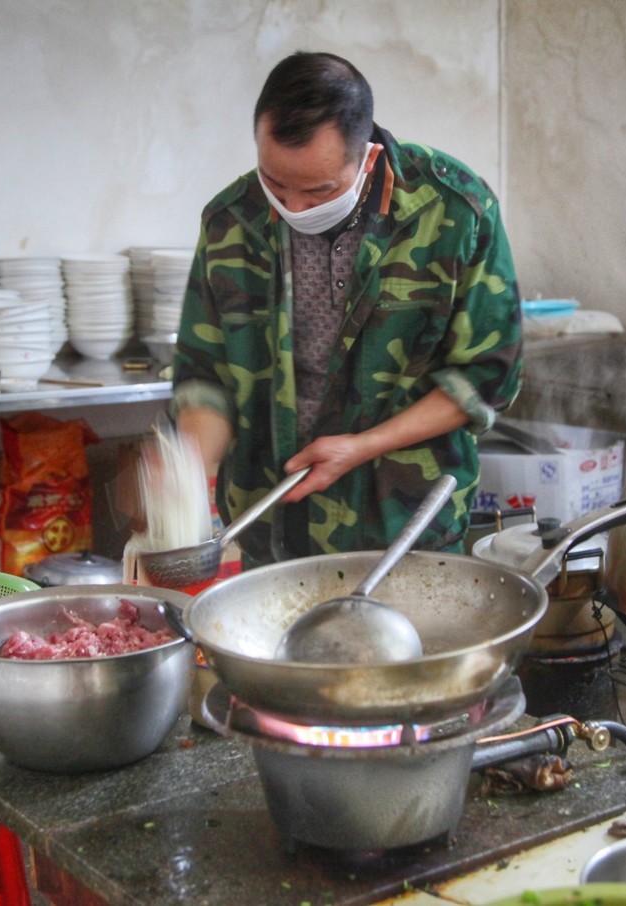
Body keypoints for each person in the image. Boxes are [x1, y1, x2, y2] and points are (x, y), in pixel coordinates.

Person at [171, 50, 522, 566]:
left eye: (318, 191)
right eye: (276, 183)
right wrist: (180, 469)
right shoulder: (232, 220)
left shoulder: (454, 208)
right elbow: (205, 374)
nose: (293, 208)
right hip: (274, 531)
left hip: (406, 528)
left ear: (369, 159)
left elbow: (489, 375)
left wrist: (362, 446)